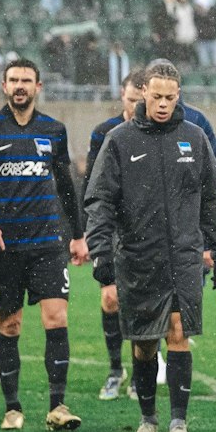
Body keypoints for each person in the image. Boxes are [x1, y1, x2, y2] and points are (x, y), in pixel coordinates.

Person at [85, 61, 216, 432]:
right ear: (142, 92)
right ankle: (147, 419)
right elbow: (99, 201)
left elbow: (212, 198)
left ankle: (178, 423)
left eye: (170, 97)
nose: (163, 104)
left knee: (179, 334)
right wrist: (101, 253)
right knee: (145, 344)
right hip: (137, 258)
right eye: (156, 95)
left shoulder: (195, 139)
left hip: (184, 257)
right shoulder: (119, 140)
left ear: (178, 95)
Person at [0, 58, 89, 431]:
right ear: (4, 86)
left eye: (27, 80)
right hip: (4, 247)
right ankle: (13, 408)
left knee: (56, 317)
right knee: (11, 324)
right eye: (14, 80)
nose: (20, 86)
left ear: (38, 86)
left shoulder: (54, 130)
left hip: (48, 243)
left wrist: (79, 235)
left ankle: (58, 406)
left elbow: (66, 186)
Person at [84, 71, 144, 399]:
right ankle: (115, 370)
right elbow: (93, 186)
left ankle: (138, 375)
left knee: (140, 304)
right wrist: (88, 232)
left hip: (144, 231)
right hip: (111, 229)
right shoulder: (104, 133)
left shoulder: (154, 134)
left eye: (141, 101)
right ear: (122, 95)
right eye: (132, 99)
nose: (136, 106)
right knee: (110, 299)